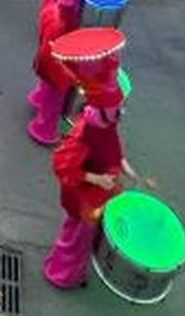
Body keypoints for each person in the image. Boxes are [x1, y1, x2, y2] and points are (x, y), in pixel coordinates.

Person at [44, 59, 145, 291]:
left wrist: (124, 165)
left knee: (82, 236)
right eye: (118, 108)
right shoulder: (83, 133)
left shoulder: (106, 122)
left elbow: (113, 145)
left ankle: (73, 268)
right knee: (77, 239)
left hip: (100, 192)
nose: (122, 112)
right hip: (84, 198)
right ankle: (63, 275)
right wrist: (96, 179)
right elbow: (63, 165)